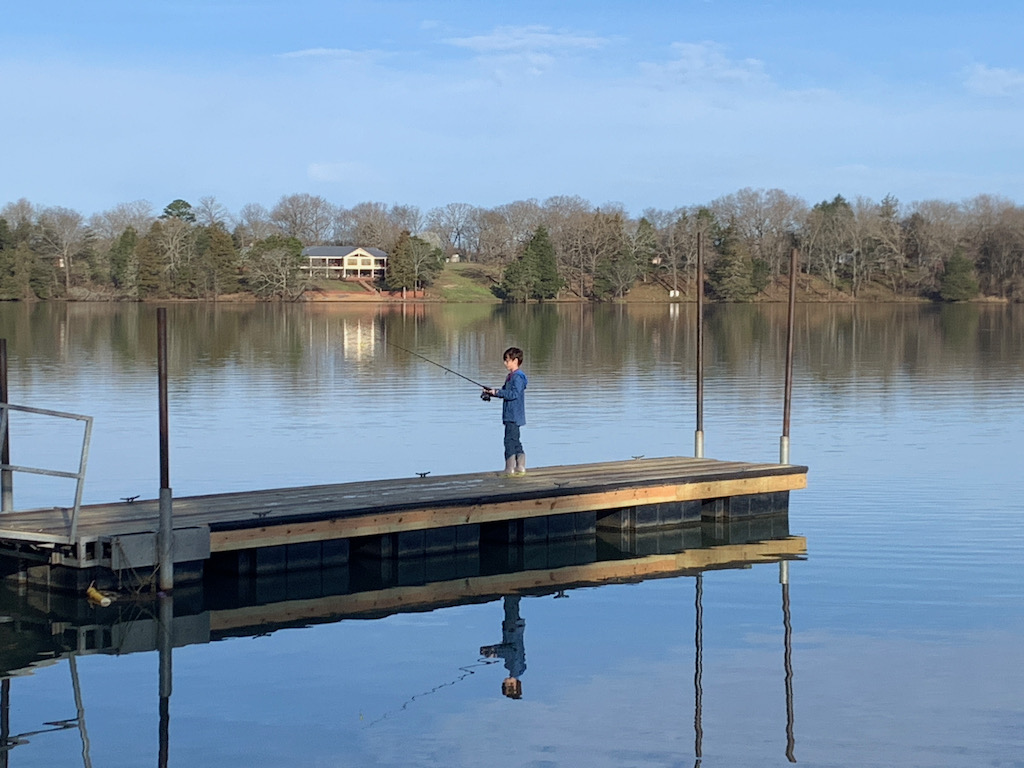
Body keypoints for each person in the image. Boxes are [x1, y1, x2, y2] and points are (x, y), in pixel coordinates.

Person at [484, 347, 527, 475]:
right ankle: (520, 467)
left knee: (509, 441)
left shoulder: (518, 377)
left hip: (514, 415)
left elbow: (513, 394)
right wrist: (491, 392)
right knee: (515, 440)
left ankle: (509, 469)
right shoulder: (511, 377)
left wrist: (497, 392)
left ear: (515, 361)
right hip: (510, 415)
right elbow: (504, 392)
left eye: (507, 360)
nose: (505, 363)